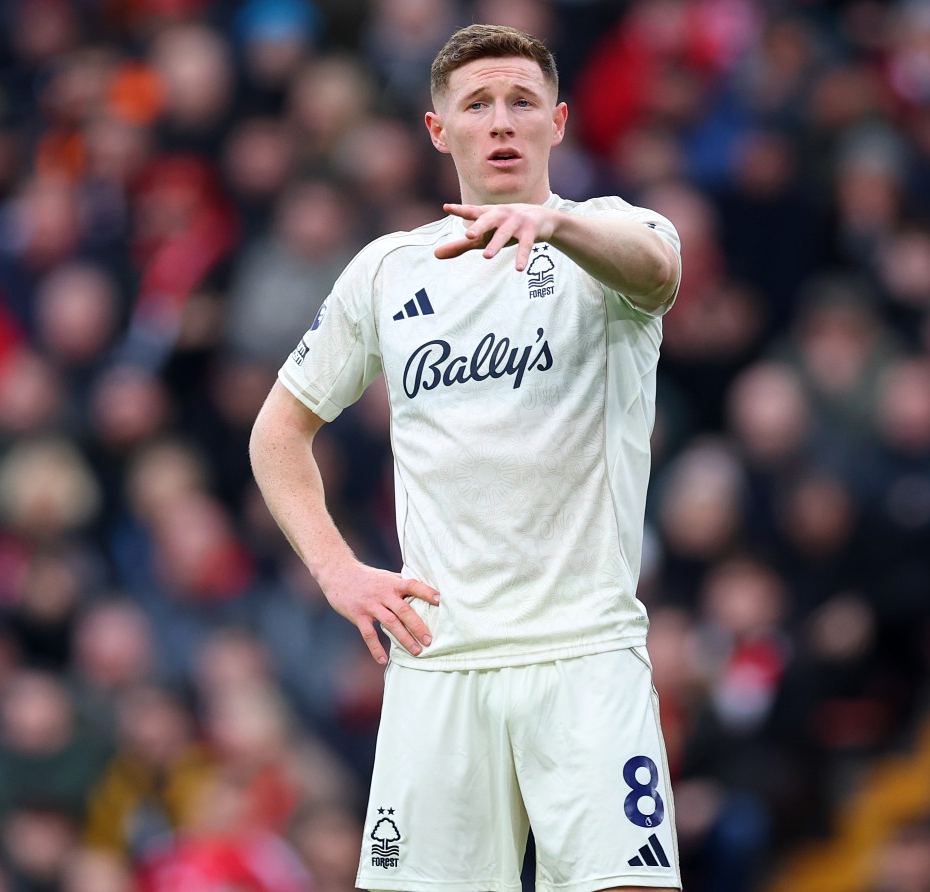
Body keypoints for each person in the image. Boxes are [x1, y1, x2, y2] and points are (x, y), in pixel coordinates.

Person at [250, 23, 682, 892]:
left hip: (584, 653)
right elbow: (278, 432)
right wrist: (338, 573)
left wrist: (555, 224)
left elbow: (658, 272)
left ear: (558, 121)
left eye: (522, 102)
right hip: (440, 660)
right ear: (438, 130)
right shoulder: (388, 271)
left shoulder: (608, 236)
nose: (502, 122)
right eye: (477, 105)